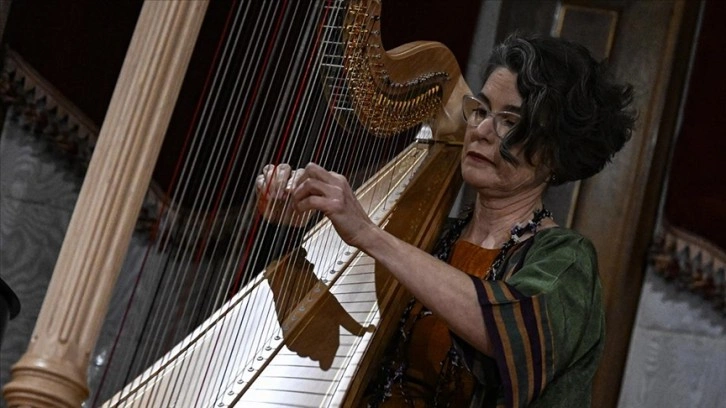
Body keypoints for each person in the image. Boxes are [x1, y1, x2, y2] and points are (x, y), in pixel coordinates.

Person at [255, 33, 635, 407]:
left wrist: (368, 233)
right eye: (481, 110)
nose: (481, 131)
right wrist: (291, 222)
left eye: (509, 121)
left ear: (555, 154)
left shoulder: (566, 261)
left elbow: (504, 331)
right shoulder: (436, 237)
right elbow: (329, 338)